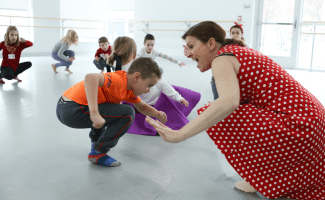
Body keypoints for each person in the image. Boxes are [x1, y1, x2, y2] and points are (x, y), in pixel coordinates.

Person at [146, 21, 325, 200]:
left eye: (192, 46)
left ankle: (256, 179)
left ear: (210, 43)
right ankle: (258, 178)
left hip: (299, 125)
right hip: (314, 123)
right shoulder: (237, 52)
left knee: (223, 114)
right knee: (222, 109)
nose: (189, 53)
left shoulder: (221, 59)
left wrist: (180, 134)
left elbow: (228, 102)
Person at [56, 36, 167, 167]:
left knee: (112, 109)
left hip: (66, 105)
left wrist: (157, 114)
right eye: (148, 85)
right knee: (127, 113)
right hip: (72, 108)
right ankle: (98, 152)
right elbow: (90, 77)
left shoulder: (129, 89)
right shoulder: (119, 80)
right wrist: (94, 112)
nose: (148, 91)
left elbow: (142, 107)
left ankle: (96, 146)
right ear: (136, 77)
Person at [123, 77, 201, 136]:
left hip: (158, 99)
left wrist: (179, 98)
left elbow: (163, 84)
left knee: (179, 95)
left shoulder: (152, 78)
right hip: (149, 103)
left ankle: (181, 100)